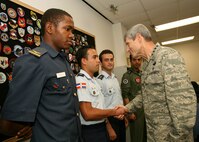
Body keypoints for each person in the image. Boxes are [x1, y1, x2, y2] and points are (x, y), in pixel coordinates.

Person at [1, 8, 82, 142]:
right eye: (67, 29)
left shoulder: (63, 61)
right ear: (50, 28)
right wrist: (29, 129)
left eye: (72, 31)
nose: (72, 35)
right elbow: (8, 124)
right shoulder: (34, 61)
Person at [119, 24, 197, 141]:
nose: (127, 49)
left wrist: (175, 138)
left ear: (139, 38)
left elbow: (185, 108)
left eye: (128, 43)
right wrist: (127, 108)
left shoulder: (167, 57)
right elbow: (145, 94)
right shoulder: (145, 65)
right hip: (155, 135)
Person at [75, 47, 125, 142]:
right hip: (91, 131)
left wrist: (108, 125)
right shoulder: (81, 80)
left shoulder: (94, 81)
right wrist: (114, 112)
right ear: (84, 61)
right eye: (94, 57)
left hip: (101, 126)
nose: (98, 61)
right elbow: (87, 113)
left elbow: (100, 108)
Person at [96, 49, 126, 142]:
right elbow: (100, 107)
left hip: (121, 118)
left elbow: (118, 99)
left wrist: (124, 115)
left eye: (111, 59)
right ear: (100, 63)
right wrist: (108, 127)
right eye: (106, 60)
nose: (110, 62)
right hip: (110, 120)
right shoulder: (99, 81)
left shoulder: (115, 78)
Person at [121, 55, 146, 142]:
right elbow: (125, 95)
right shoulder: (127, 75)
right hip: (135, 112)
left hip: (145, 110)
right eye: (134, 60)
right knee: (137, 137)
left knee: (146, 136)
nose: (137, 62)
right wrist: (129, 112)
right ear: (130, 61)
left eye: (139, 60)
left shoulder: (143, 73)